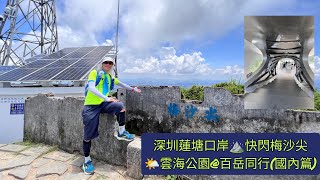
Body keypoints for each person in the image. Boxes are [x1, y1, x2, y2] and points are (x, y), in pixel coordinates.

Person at [81, 56, 141, 175]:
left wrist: (133, 89)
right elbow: (92, 88)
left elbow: (122, 84)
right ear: (102, 63)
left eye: (110, 63)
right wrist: (107, 98)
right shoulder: (94, 73)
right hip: (91, 106)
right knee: (87, 136)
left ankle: (121, 132)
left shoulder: (110, 77)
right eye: (106, 62)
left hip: (102, 104)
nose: (108, 64)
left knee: (120, 106)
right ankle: (87, 160)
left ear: (112, 66)